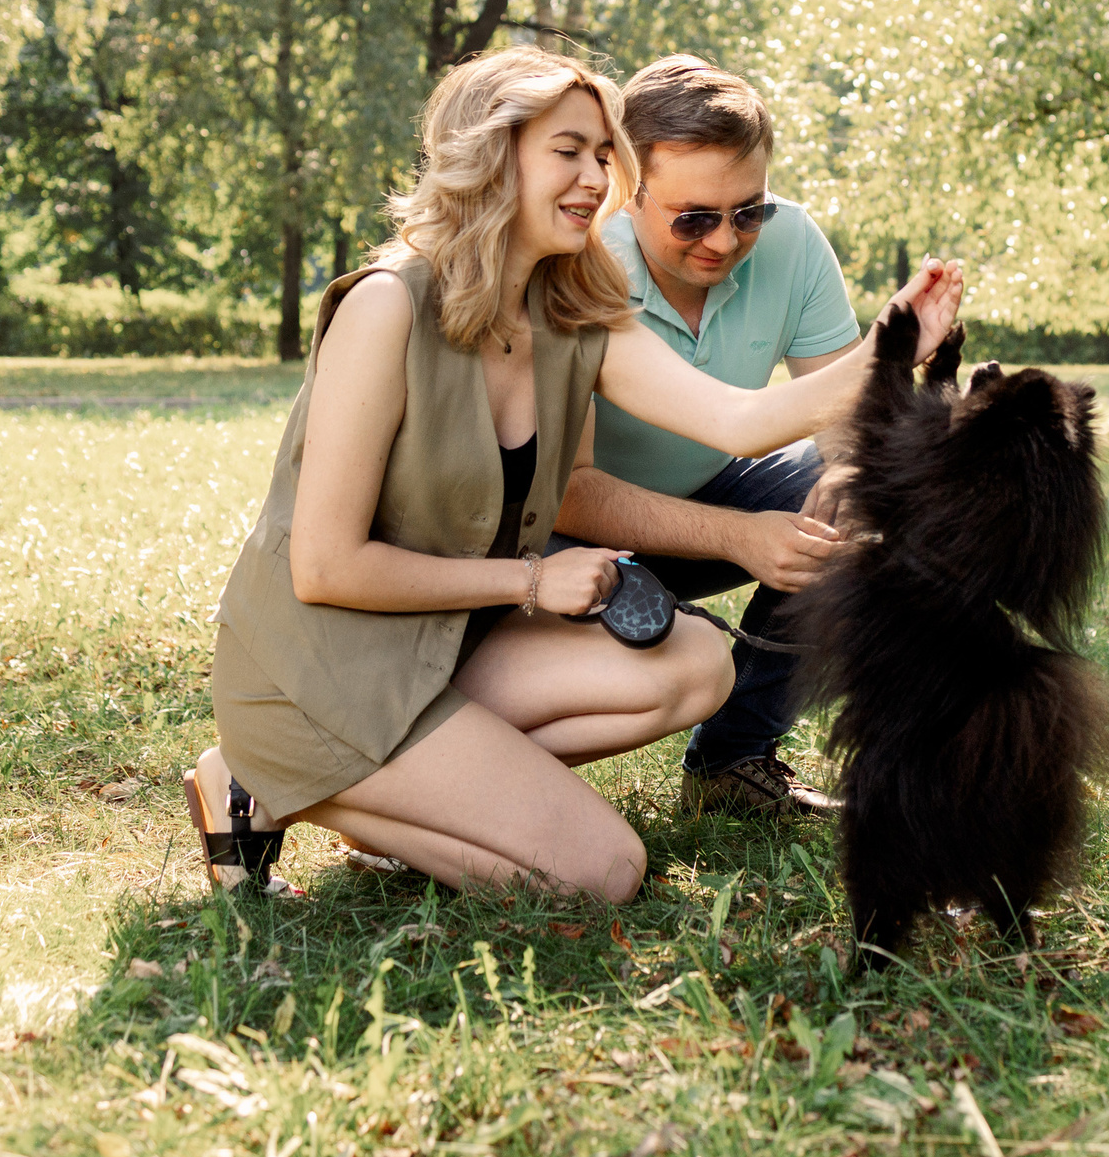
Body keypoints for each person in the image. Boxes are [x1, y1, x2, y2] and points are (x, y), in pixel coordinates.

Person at [182, 47, 961, 903]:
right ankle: (268, 777)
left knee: (699, 662)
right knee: (604, 872)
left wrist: (893, 340)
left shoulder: (572, 306)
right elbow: (325, 567)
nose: (596, 176)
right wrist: (529, 578)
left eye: (602, 154)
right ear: (491, 153)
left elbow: (740, 421)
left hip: (444, 651)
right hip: (320, 671)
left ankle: (363, 782)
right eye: (569, 150)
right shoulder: (386, 307)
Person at [554, 55, 864, 819]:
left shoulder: (793, 243)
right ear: (628, 191)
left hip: (705, 501)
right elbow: (566, 492)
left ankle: (733, 761)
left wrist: (851, 486)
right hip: (560, 546)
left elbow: (853, 424)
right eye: (693, 218)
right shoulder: (577, 263)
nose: (724, 241)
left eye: (748, 211)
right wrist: (738, 536)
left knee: (866, 497)